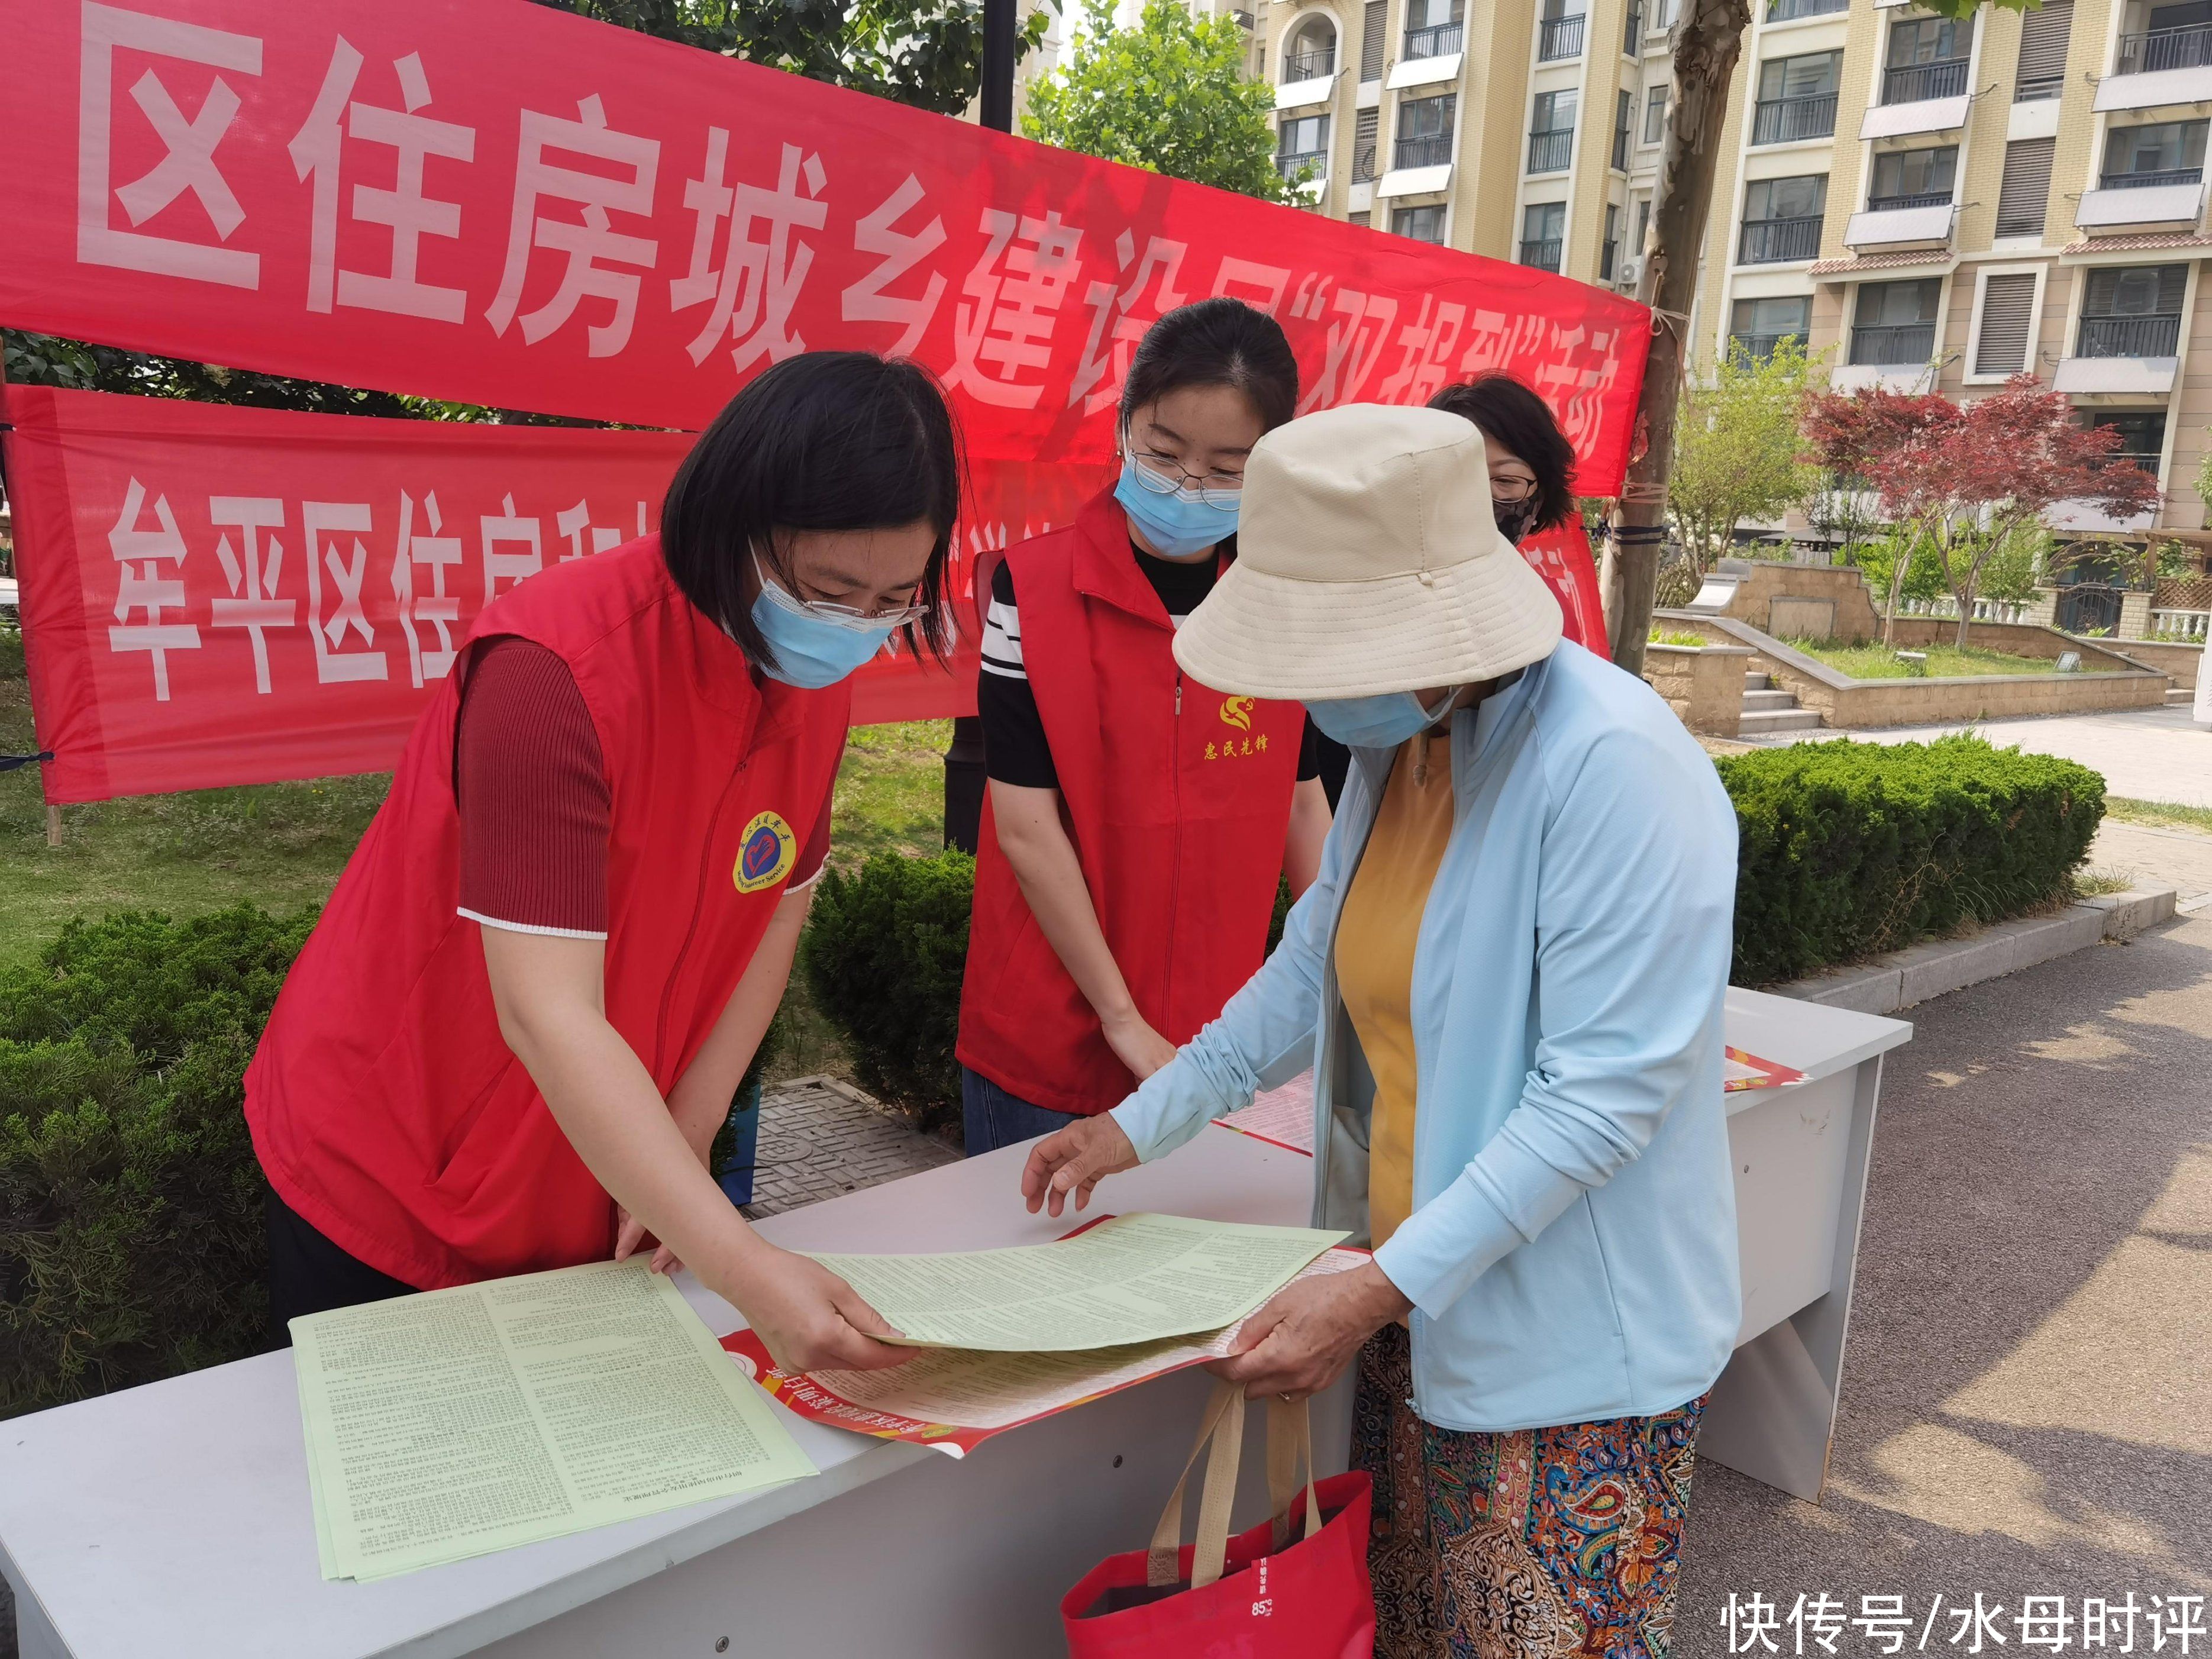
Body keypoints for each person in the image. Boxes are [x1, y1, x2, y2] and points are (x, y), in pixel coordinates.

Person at [1019, 404, 1742, 1657]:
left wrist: (1373, 1293)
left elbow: (1600, 1097)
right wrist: (1135, 1127)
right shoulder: (1407, 741)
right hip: (1412, 1291)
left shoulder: (1615, 763)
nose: (1314, 689)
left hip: (1568, 1353)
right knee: (1410, 1630)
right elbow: (1315, 967)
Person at [246, 352, 955, 1378]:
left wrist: (690, 1126)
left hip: (605, 1164)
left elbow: (779, 904)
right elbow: (547, 1010)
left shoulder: (813, 675)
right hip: (401, 1164)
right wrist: (743, 1260)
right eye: (828, 588)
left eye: (890, 599)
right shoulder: (551, 670)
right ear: (733, 524)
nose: (851, 627)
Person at [954, 298, 1334, 1155]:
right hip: (1048, 1041)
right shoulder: (1032, 587)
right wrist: (1121, 1021)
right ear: (1125, 426)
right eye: (1164, 454)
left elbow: (1303, 805)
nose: (1187, 486)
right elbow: (1023, 825)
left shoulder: (1278, 601)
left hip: (1223, 1045)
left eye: (1226, 467)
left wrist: (1339, 985)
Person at [1311, 372, 1585, 811]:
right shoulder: (1364, 592)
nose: (1476, 500)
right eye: (1454, 475)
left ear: (1537, 504)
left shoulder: (1548, 618)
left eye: (1505, 482)